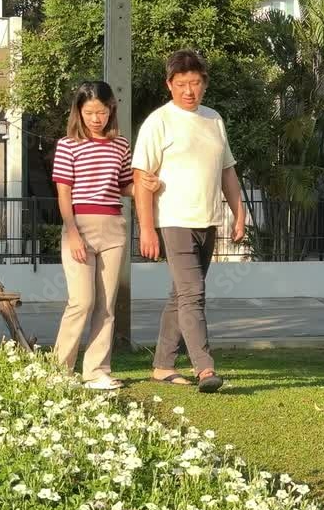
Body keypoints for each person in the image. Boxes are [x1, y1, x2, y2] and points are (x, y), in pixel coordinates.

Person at [133, 49, 246, 393]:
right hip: (174, 221)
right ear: (169, 84)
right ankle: (204, 368)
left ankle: (163, 365)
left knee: (181, 296)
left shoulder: (213, 119)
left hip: (208, 221)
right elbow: (141, 178)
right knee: (193, 294)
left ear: (204, 84)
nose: (188, 90)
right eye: (181, 83)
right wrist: (147, 228)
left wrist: (239, 213)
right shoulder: (159, 122)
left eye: (195, 83)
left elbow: (227, 172)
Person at [51, 80, 159, 390]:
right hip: (79, 226)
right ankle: (58, 372)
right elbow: (63, 193)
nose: (96, 118)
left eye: (101, 112)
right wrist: (72, 233)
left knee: (107, 305)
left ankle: (96, 372)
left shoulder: (120, 144)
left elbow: (124, 186)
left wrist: (146, 186)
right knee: (81, 302)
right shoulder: (67, 145)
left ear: (111, 110)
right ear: (79, 112)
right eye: (89, 112)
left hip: (114, 226)